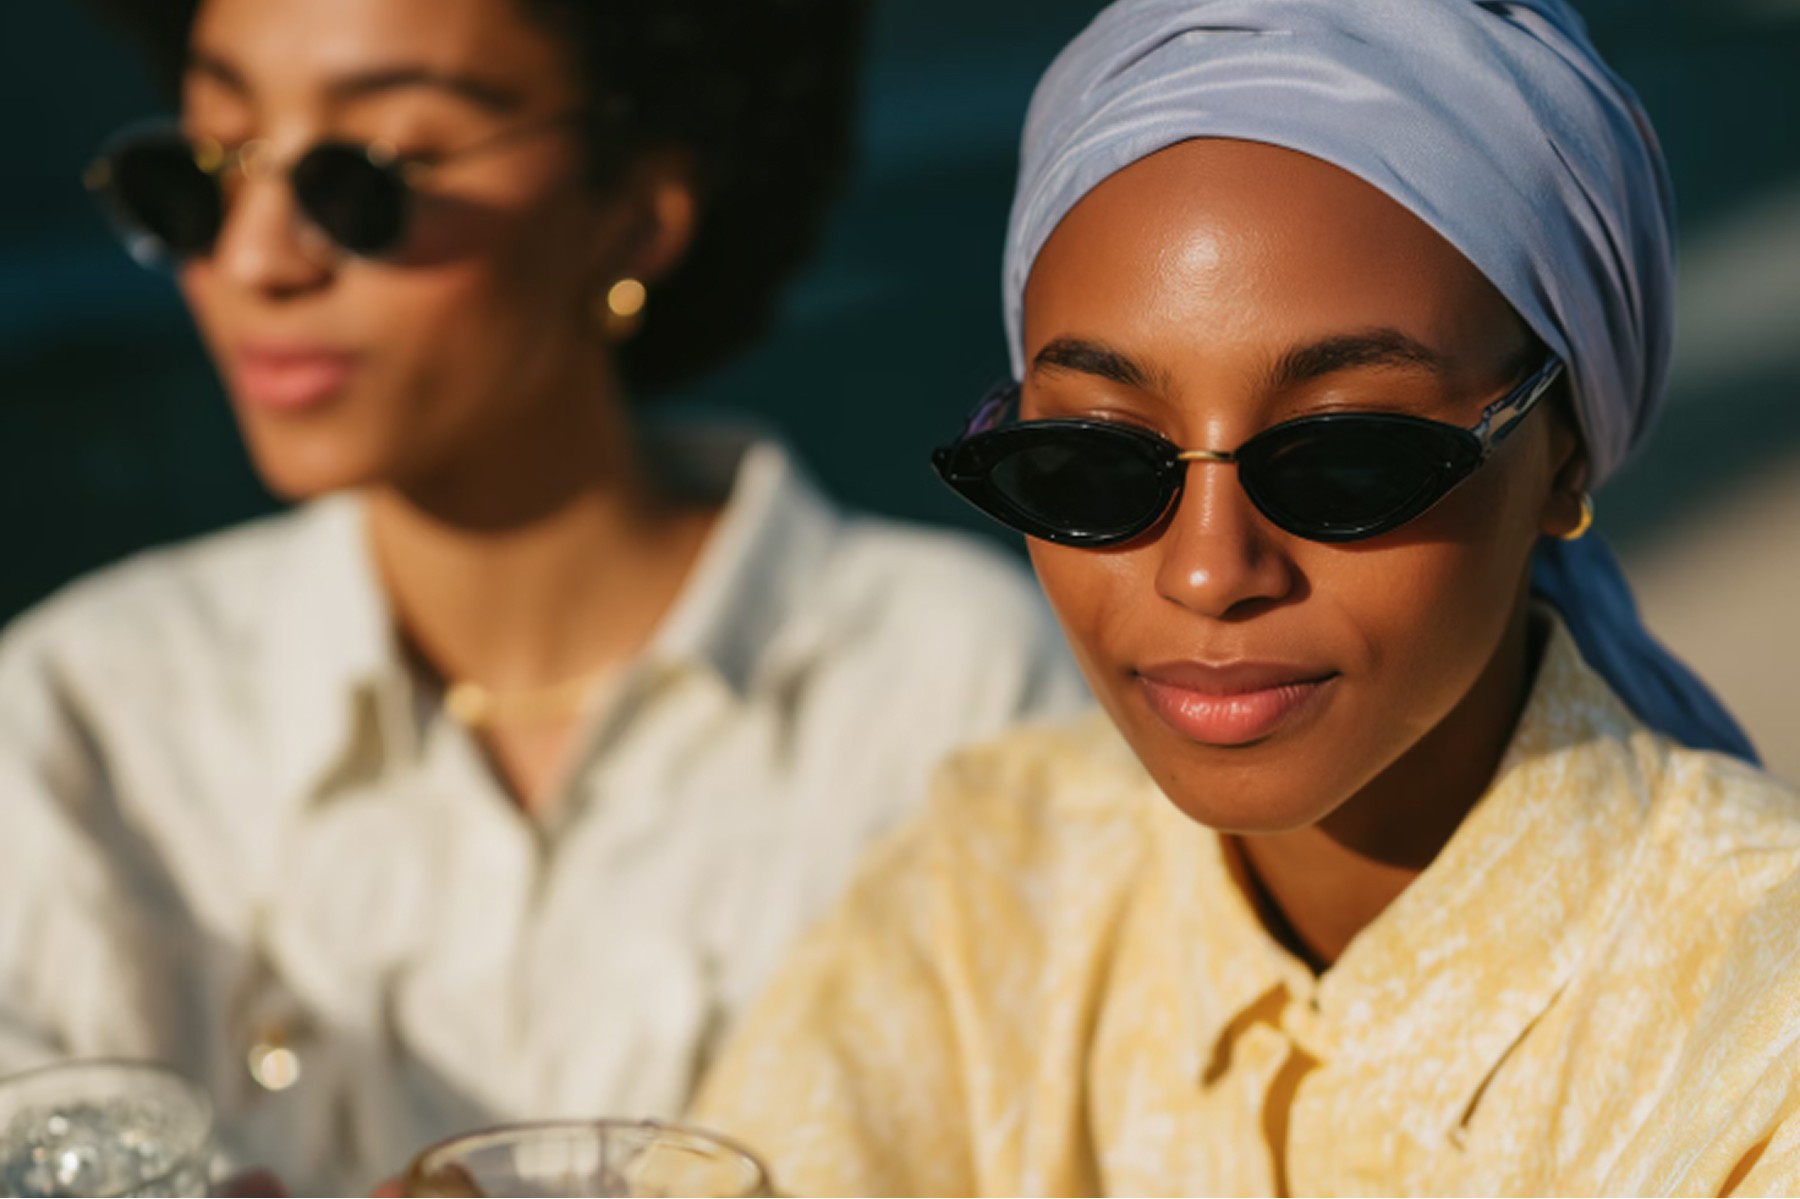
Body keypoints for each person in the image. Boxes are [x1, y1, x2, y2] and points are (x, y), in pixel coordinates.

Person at [690, 1, 1800, 1193]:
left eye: (1346, 458)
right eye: (1094, 460)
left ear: (1564, 455)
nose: (1208, 570)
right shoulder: (988, 894)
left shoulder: (1756, 1038)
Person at [0, 0, 1085, 1191]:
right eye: (199, 171)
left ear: (637, 213)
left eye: (365, 178)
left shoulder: (954, 693)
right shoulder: (86, 716)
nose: (258, 257)